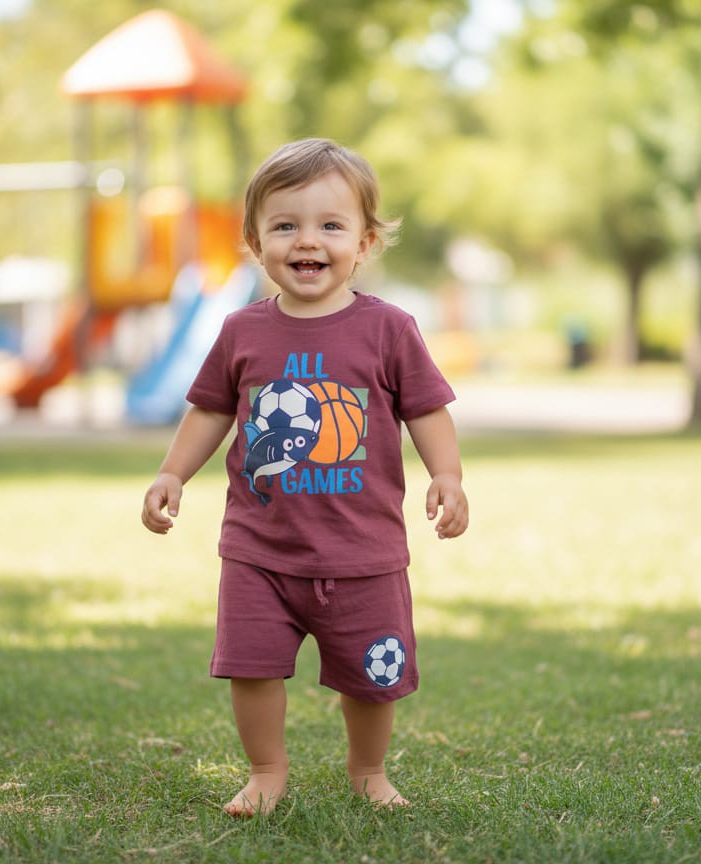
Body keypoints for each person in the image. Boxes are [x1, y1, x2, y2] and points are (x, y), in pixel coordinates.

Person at [141, 138, 468, 818]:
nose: (307, 241)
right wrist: (173, 473)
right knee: (252, 667)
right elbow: (210, 410)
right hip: (259, 549)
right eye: (285, 225)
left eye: (330, 225)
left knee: (373, 678)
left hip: (364, 552)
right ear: (256, 243)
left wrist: (448, 475)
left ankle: (368, 771)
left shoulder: (389, 329)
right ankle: (266, 771)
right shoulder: (242, 331)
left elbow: (426, 409)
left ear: (366, 242)